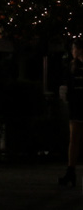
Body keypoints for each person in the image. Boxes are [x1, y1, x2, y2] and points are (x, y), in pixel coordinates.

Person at [59, 39, 83, 187]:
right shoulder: (73, 66)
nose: (72, 51)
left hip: (78, 106)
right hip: (76, 107)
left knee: (74, 140)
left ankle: (71, 171)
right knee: (73, 140)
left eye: (74, 48)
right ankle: (71, 171)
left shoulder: (75, 66)